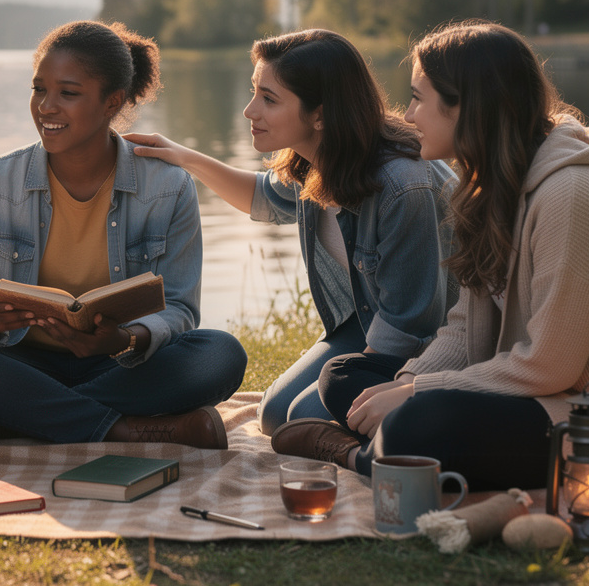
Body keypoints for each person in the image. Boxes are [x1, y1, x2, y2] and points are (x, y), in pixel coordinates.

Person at [272, 21, 589, 490]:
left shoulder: (574, 194)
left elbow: (549, 366)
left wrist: (417, 392)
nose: (408, 115)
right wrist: (407, 380)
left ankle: (358, 456)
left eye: (417, 98)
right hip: (536, 394)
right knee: (344, 375)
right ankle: (393, 446)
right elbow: (464, 329)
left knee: (415, 422)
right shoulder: (490, 187)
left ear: (465, 107)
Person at [0, 20, 247, 449]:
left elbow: (180, 308)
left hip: (120, 364)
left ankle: (12, 420)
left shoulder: (169, 187)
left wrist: (125, 338)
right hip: (22, 363)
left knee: (220, 355)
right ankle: (123, 429)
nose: (46, 107)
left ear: (112, 102)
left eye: (68, 93)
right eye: (38, 89)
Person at [127, 28, 456, 434]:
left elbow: (411, 324)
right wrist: (184, 158)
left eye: (269, 99)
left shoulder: (402, 186)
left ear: (320, 115)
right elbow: (262, 197)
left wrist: (351, 386)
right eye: (254, 91)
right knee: (274, 414)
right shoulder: (317, 159)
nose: (249, 110)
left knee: (302, 417)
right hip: (368, 320)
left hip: (432, 340)